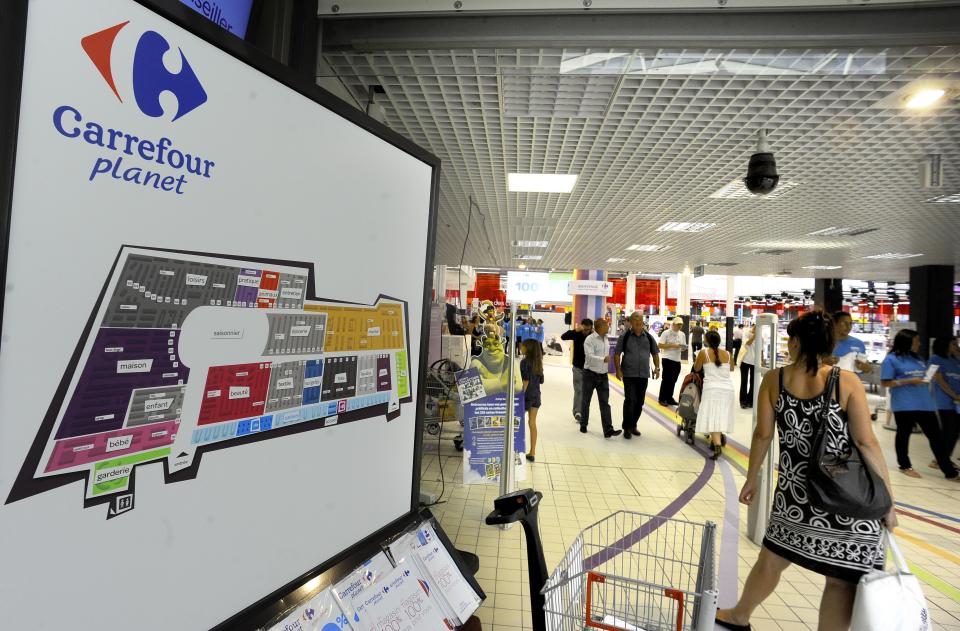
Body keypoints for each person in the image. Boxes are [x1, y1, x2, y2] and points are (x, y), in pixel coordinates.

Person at [716, 311, 897, 631]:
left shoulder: (775, 379)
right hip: (846, 499)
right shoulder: (846, 382)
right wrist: (887, 502)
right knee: (841, 580)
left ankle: (739, 615)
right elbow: (866, 442)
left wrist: (752, 476)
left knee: (772, 560)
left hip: (796, 495)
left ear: (797, 341)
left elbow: (763, 434)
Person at [880, 329, 959, 480]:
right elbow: (885, 383)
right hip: (904, 404)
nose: (920, 343)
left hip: (925, 404)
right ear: (907, 341)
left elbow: (923, 377)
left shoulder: (918, 358)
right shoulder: (891, 359)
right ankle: (905, 465)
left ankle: (950, 472)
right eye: (917, 340)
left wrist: (929, 377)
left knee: (936, 438)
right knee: (904, 434)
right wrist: (908, 381)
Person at [614, 312, 661, 439]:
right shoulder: (625, 336)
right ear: (631, 322)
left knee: (640, 402)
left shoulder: (649, 337)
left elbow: (655, 354)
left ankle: (633, 424)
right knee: (630, 400)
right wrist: (618, 370)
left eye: (640, 321)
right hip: (629, 374)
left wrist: (657, 368)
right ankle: (627, 427)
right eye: (636, 321)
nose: (639, 324)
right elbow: (617, 354)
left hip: (643, 374)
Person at [694, 329, 736, 460]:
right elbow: (732, 368)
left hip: (711, 389)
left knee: (712, 417)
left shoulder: (703, 352)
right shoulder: (728, 354)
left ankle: (717, 445)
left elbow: (696, 368)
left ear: (706, 341)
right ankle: (716, 440)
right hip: (728, 390)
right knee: (721, 416)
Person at [581, 318, 622, 438]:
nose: (608, 327)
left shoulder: (606, 338)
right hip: (590, 374)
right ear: (599, 327)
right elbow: (589, 356)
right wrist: (602, 359)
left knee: (604, 402)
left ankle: (608, 430)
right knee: (586, 401)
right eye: (606, 325)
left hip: (603, 375)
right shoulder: (590, 339)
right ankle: (584, 424)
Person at [930, 336, 960, 467]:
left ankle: (944, 458)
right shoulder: (935, 359)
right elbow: (940, 381)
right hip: (944, 401)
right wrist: (954, 395)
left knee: (955, 430)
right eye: (953, 344)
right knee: (949, 429)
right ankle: (939, 460)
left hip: (957, 402)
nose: (956, 346)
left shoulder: (955, 360)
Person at [561, 319, 593, 423]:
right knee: (579, 390)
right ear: (581, 327)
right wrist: (576, 330)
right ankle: (577, 412)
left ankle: (583, 411)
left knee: (586, 391)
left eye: (588, 329)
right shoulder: (577, 334)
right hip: (578, 367)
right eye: (584, 329)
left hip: (589, 368)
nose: (586, 332)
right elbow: (563, 336)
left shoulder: (593, 336)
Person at [520, 339, 544, 462]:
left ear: (527, 348)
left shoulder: (524, 362)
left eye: (523, 345)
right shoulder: (538, 363)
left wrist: (519, 395)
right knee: (532, 423)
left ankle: (515, 448)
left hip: (526, 396)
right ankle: (532, 452)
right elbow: (541, 381)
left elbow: (526, 380)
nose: (521, 347)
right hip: (536, 396)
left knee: (516, 422)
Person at [658, 317, 687, 406]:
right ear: (673, 324)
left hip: (677, 359)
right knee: (666, 379)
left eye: (681, 325)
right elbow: (660, 345)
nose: (679, 326)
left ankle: (669, 398)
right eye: (678, 324)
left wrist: (683, 348)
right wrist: (672, 345)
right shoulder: (666, 333)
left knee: (673, 380)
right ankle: (662, 398)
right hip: (667, 358)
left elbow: (683, 346)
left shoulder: (682, 334)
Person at [738, 324, 756, 409]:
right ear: (753, 326)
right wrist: (755, 336)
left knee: (753, 383)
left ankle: (750, 401)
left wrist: (762, 360)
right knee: (744, 381)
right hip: (745, 360)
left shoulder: (761, 336)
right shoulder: (746, 333)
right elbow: (747, 344)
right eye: (755, 326)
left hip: (755, 362)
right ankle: (743, 401)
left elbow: (761, 349)